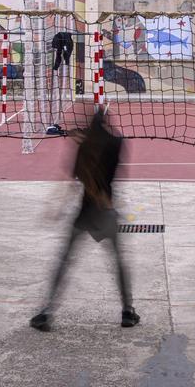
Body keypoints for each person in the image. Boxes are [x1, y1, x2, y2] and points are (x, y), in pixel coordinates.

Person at [30, 109, 138, 332]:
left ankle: (46, 313)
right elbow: (117, 172)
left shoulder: (83, 148)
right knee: (118, 262)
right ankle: (127, 311)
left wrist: (56, 207)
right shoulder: (116, 144)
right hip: (106, 211)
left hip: (85, 212)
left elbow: (73, 181)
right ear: (106, 123)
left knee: (65, 261)